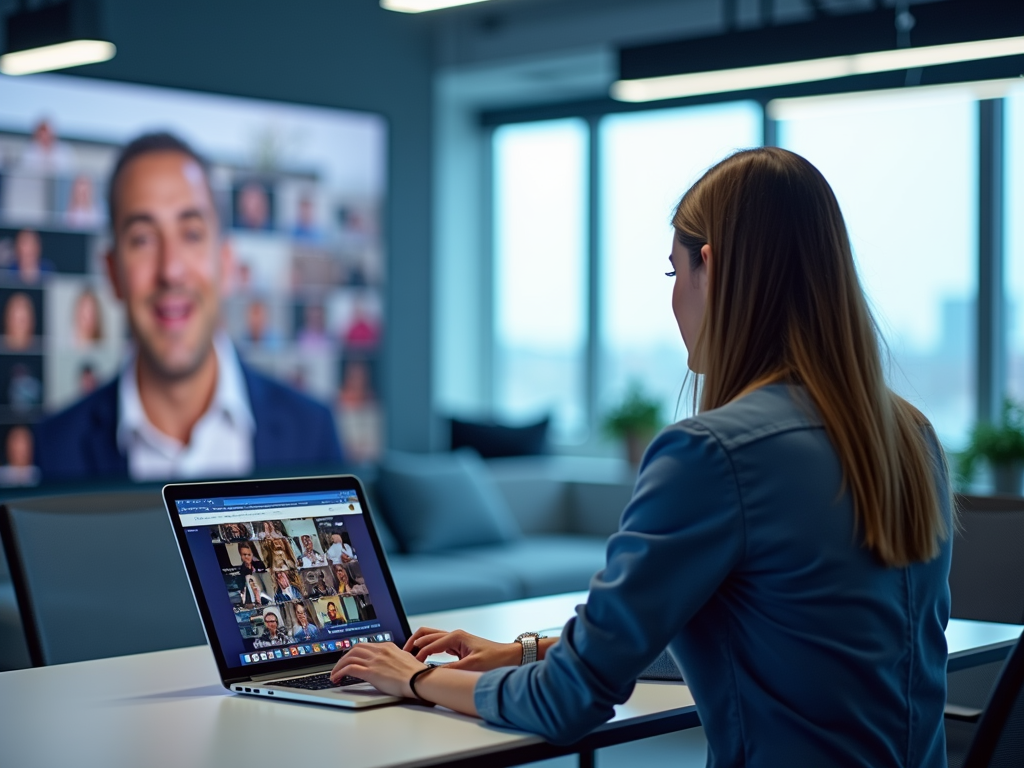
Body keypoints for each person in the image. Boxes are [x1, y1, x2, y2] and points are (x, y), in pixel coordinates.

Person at [327, 148, 953, 767]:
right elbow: (760, 638)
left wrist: (410, 678)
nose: (675, 297)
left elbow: (564, 704)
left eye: (672, 272)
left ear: (710, 265)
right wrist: (530, 652)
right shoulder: (911, 437)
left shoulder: (711, 454)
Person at [32, 132, 343, 482]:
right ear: (112, 272)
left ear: (226, 263)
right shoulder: (58, 449)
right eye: (142, 239)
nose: (171, 270)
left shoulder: (312, 434)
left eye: (192, 234)